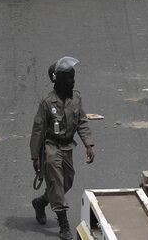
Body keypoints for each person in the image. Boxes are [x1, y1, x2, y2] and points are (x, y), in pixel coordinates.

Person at [30, 57, 96, 240]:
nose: (72, 82)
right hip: (51, 146)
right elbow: (38, 129)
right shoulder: (47, 102)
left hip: (68, 146)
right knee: (56, 182)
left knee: (67, 181)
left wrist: (88, 144)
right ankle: (63, 224)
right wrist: (35, 155)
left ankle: (41, 202)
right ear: (57, 80)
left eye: (73, 78)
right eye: (67, 78)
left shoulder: (76, 98)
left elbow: (82, 121)